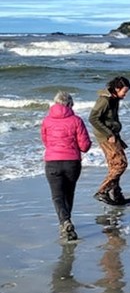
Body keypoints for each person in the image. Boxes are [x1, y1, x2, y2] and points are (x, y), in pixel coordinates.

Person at [41, 91, 92, 241]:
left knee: (57, 196)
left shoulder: (46, 120)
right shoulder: (76, 120)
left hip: (52, 162)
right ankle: (66, 222)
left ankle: (64, 222)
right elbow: (84, 146)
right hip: (72, 162)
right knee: (69, 193)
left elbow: (45, 141)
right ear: (69, 104)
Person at [89, 76, 130, 206]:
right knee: (120, 164)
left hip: (113, 134)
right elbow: (93, 118)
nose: (125, 95)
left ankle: (116, 195)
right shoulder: (105, 100)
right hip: (106, 136)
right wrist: (108, 134)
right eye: (124, 91)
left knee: (114, 165)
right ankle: (102, 191)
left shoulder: (114, 99)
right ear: (117, 88)